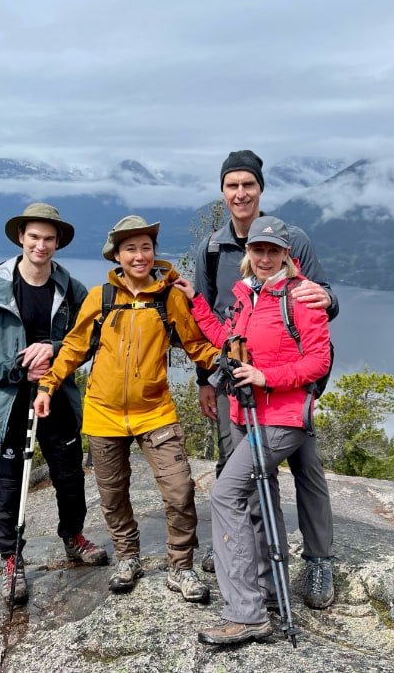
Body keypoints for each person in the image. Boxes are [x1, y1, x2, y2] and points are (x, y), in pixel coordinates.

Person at [33, 215, 220, 603]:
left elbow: (197, 346)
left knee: (180, 489)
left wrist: (228, 359)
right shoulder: (101, 297)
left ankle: (180, 566)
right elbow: (73, 348)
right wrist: (48, 385)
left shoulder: (169, 298)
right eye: (131, 249)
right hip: (104, 413)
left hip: (156, 412)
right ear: (117, 255)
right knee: (113, 494)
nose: (140, 256)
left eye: (146, 247)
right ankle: (128, 557)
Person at [176, 216, 332, 645]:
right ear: (249, 254)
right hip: (248, 416)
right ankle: (264, 590)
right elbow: (227, 340)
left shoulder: (301, 298)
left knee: (226, 494)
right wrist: (196, 303)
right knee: (254, 502)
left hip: (280, 419)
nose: (264, 257)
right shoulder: (248, 296)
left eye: (272, 251)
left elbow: (318, 361)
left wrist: (267, 377)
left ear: (287, 254)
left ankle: (245, 613)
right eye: (257, 250)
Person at [193, 149, 338, 609]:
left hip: (290, 387)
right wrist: (205, 380)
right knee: (241, 471)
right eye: (232, 185)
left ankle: (318, 562)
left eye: (248, 185)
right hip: (234, 383)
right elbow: (211, 314)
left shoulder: (292, 239)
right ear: (222, 192)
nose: (240, 193)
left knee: (307, 467)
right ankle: (249, 553)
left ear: (260, 189)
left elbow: (320, 299)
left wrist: (330, 303)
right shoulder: (213, 248)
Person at [0, 202, 108, 607]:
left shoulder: (72, 290)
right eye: (34, 237)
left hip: (57, 396)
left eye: (48, 238)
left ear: (57, 242)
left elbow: (90, 339)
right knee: (9, 484)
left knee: (69, 476)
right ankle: (12, 559)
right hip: (9, 403)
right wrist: (17, 370)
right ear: (21, 239)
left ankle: (73, 538)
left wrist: (54, 348)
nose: (41, 245)